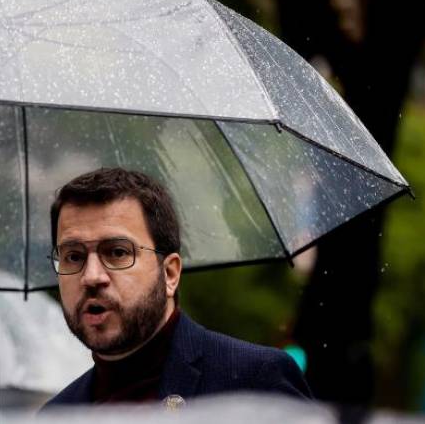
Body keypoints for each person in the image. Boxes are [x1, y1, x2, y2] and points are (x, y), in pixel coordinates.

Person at [44, 167, 312, 408]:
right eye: (74, 256)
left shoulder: (254, 380)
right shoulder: (58, 414)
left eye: (116, 252)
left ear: (170, 274)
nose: (91, 276)